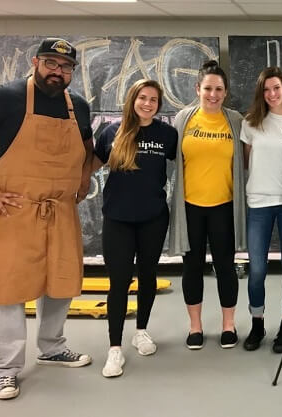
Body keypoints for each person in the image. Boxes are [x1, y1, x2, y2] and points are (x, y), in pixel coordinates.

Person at [0, 37, 93, 400]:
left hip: (61, 210)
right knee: (10, 292)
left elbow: (87, 145)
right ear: (35, 62)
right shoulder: (3, 97)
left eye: (65, 68)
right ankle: (6, 368)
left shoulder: (78, 106)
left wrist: (83, 177)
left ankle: (52, 347)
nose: (57, 72)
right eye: (51, 64)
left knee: (60, 283)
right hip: (13, 210)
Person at [92, 79, 177, 377]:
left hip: (153, 217)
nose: (148, 103)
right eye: (143, 97)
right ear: (133, 99)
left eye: (154, 99)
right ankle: (114, 349)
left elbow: (186, 164)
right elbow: (89, 165)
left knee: (148, 276)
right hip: (117, 219)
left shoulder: (167, 134)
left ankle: (141, 330)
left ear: (158, 104)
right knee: (119, 282)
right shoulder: (111, 132)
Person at [167, 60, 246, 349]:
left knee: (226, 267)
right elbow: (172, 163)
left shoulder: (235, 120)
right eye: (208, 88)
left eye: (219, 89)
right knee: (192, 267)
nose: (213, 94)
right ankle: (195, 327)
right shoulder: (183, 119)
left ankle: (228, 325)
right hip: (190, 208)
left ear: (226, 92)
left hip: (224, 206)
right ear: (197, 89)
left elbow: (247, 160)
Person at [240, 67, 282, 353]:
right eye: (266, 90)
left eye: (276, 88)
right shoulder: (251, 123)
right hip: (259, 204)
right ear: (260, 93)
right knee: (257, 269)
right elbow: (247, 163)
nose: (272, 94)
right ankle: (257, 323)